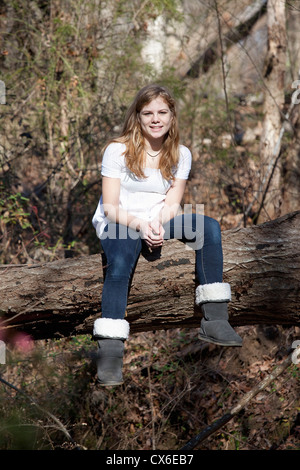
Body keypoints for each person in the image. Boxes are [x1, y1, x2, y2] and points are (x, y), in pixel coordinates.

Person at [92, 84, 242, 386]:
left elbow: (173, 204)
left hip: (157, 220)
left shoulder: (181, 154)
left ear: (172, 116)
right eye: (148, 113)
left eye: (162, 112)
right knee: (121, 259)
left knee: (208, 227)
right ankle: (109, 352)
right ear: (138, 116)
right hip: (121, 221)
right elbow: (110, 207)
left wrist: (158, 224)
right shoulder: (117, 150)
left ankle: (215, 319)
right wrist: (141, 226)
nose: (155, 119)